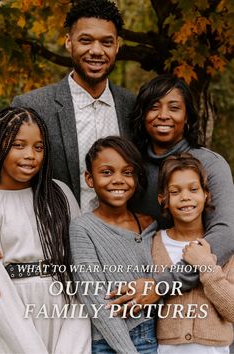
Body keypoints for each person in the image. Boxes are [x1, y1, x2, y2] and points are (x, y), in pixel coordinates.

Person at [107, 74, 234, 309]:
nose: (163, 115)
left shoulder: (211, 165)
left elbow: (225, 235)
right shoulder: (130, 167)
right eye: (154, 107)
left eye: (174, 108)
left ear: (186, 117)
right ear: (143, 115)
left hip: (201, 301)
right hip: (141, 296)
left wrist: (161, 285)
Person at [11, 0, 135, 213]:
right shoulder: (31, 106)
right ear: (69, 42)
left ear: (117, 46)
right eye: (85, 40)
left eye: (106, 42)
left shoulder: (133, 107)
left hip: (122, 237)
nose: (96, 51)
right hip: (52, 239)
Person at [0, 107, 91, 354]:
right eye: (19, 145)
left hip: (64, 304)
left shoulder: (59, 194)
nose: (31, 155)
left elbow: (81, 265)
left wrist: (75, 339)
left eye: (38, 147)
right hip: (11, 314)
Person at [70, 136, 158, 354]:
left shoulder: (149, 225)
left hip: (150, 335)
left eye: (127, 172)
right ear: (89, 179)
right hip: (107, 342)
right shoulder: (83, 228)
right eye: (107, 172)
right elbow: (95, 298)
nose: (118, 180)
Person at [152, 153, 234, 354]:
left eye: (193, 189)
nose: (185, 197)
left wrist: (206, 265)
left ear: (206, 194)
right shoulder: (153, 244)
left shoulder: (223, 247)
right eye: (175, 191)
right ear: (163, 199)